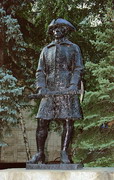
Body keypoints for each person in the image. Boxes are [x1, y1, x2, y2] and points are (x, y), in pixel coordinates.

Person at [28, 18, 84, 164]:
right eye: (53, 29)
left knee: (67, 121)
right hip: (49, 90)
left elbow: (78, 68)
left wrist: (73, 85)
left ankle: (64, 152)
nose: (55, 31)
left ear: (65, 30)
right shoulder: (46, 50)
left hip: (66, 89)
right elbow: (40, 71)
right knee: (42, 121)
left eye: (59, 28)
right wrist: (41, 87)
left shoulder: (73, 48)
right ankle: (40, 153)